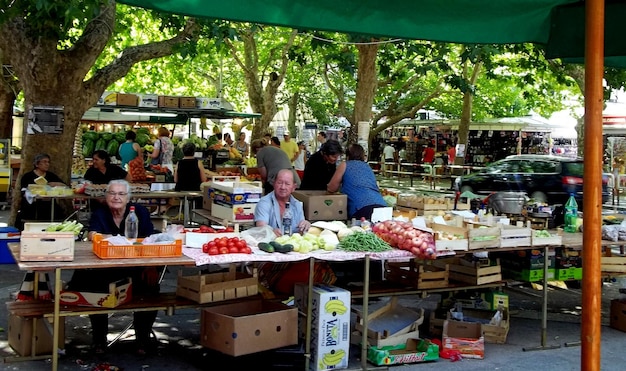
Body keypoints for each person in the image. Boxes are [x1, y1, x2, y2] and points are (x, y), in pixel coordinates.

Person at [67, 180, 159, 355]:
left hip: (136, 266)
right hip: (106, 267)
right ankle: (99, 340)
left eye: (121, 194)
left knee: (151, 288)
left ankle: (142, 339)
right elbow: (93, 232)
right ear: (106, 196)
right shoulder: (100, 213)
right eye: (112, 193)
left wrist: (151, 266)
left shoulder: (139, 212)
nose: (116, 197)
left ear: (128, 198)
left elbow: (149, 239)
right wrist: (96, 235)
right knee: (95, 287)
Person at [327, 144, 387, 220]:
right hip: (381, 206)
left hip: (360, 208)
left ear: (348, 155)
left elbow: (332, 188)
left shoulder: (345, 165)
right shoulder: (367, 166)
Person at [254, 169, 310, 236]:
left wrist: (305, 225)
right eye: (279, 183)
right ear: (274, 184)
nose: (283, 187)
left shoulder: (297, 204)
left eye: (287, 184)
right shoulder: (264, 202)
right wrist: (272, 231)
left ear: (293, 187)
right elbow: (261, 227)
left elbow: (301, 229)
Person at [17, 153, 66, 228]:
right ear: (37, 164)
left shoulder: (51, 176)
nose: (47, 164)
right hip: (33, 206)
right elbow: (24, 191)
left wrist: (55, 184)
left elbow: (64, 185)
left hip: (49, 205)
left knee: (58, 213)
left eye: (48, 162)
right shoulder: (28, 176)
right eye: (44, 162)